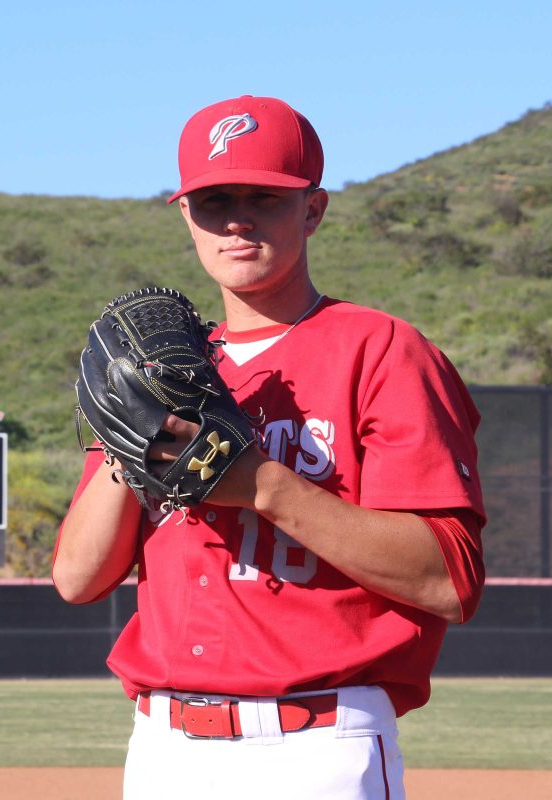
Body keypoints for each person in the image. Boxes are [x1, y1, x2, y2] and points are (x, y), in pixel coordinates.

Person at [52, 95, 486, 800]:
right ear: (187, 215)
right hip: (165, 749)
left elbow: (449, 580)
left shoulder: (381, 351)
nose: (236, 220)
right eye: (213, 200)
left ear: (312, 211)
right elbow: (76, 578)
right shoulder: (166, 371)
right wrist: (124, 440)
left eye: (265, 197)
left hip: (317, 747)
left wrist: (261, 483)